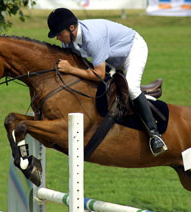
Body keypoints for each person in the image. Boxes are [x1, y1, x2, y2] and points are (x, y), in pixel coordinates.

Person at [47, 8, 168, 157]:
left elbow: (98, 73)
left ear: (71, 28)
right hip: (111, 58)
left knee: (131, 87)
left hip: (132, 50)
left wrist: (70, 69)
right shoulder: (69, 41)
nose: (58, 38)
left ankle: (155, 136)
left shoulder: (93, 38)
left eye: (59, 34)